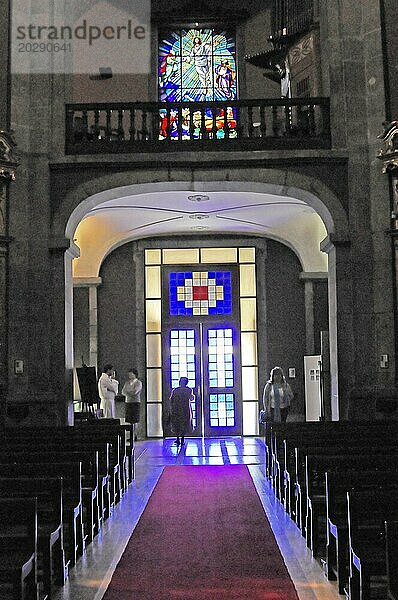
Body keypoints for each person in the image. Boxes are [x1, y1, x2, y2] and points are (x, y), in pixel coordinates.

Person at [169, 376, 193, 446]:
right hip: (185, 408)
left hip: (177, 409)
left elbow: (171, 400)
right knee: (184, 423)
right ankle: (182, 439)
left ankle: (177, 438)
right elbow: (191, 398)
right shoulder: (189, 390)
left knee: (177, 423)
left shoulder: (175, 390)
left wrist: (171, 408)